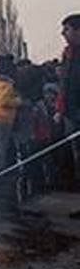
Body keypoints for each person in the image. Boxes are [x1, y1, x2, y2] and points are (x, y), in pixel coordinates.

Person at [0, 55, 22, 216]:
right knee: (1, 145)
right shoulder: (6, 84)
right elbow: (4, 101)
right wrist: (18, 101)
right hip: (3, 117)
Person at [58, 14, 80, 180]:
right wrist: (61, 108)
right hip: (71, 112)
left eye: (67, 29)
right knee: (76, 154)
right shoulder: (68, 54)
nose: (63, 33)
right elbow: (65, 84)